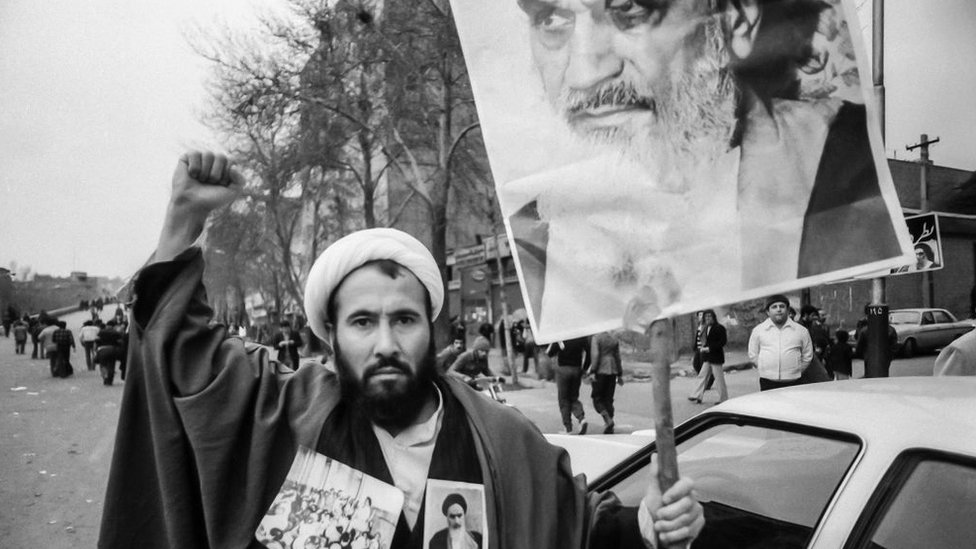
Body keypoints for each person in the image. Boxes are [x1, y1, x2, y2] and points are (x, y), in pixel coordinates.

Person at [99, 152, 703, 549]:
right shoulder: (283, 414)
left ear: (433, 330)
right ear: (329, 336)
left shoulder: (501, 438)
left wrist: (650, 528)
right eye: (362, 322)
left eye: (404, 319)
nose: (386, 343)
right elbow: (182, 347)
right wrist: (181, 223)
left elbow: (580, 528)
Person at [506, 0, 903, 338]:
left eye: (630, 8)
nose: (585, 73)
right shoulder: (532, 242)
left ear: (736, 19)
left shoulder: (848, 185)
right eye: (551, 19)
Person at [748, 295, 813, 391]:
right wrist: (765, 369)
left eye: (782, 306)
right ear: (768, 312)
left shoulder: (801, 331)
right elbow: (753, 354)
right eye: (774, 307)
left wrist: (796, 370)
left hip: (794, 381)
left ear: (787, 310)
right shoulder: (758, 331)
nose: (779, 310)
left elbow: (807, 355)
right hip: (768, 381)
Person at [547, 336, 591, 435]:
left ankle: (568, 428)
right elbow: (589, 351)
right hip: (576, 369)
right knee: (573, 397)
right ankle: (581, 418)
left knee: (563, 399)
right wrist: (585, 367)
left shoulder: (561, 335)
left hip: (563, 369)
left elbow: (549, 352)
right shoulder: (580, 336)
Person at [687, 310, 728, 404]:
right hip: (707, 357)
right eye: (706, 317)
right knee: (702, 376)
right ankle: (696, 395)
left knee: (719, 379)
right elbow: (703, 341)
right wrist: (703, 348)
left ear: (714, 317)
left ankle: (724, 398)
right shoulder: (704, 328)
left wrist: (709, 348)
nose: (708, 318)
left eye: (710, 316)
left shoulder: (719, 328)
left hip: (716, 357)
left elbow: (722, 342)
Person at [587, 331, 623, 434]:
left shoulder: (596, 338)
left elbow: (595, 355)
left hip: (601, 369)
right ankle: (610, 422)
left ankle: (607, 419)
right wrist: (619, 373)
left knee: (597, 397)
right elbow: (618, 357)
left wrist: (593, 371)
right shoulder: (613, 338)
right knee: (608, 398)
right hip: (612, 369)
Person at [96, 320, 124, 386]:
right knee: (111, 365)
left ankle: (105, 378)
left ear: (106, 325)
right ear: (113, 326)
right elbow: (121, 342)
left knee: (103, 366)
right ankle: (110, 380)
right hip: (112, 350)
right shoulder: (116, 333)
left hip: (102, 350)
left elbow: (96, 341)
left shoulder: (101, 332)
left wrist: (96, 350)